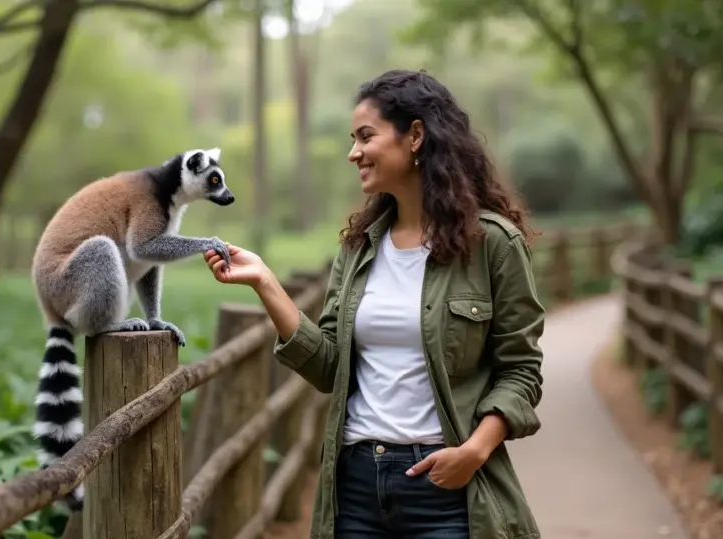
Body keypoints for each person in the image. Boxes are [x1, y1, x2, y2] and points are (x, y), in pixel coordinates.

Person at [203, 69, 545, 539]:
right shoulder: (360, 248)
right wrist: (265, 282)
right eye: (352, 138)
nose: (353, 152)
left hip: (447, 489)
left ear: (416, 136)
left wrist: (474, 452)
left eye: (366, 136)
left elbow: (521, 370)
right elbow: (328, 368)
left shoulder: (491, 245)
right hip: (356, 487)